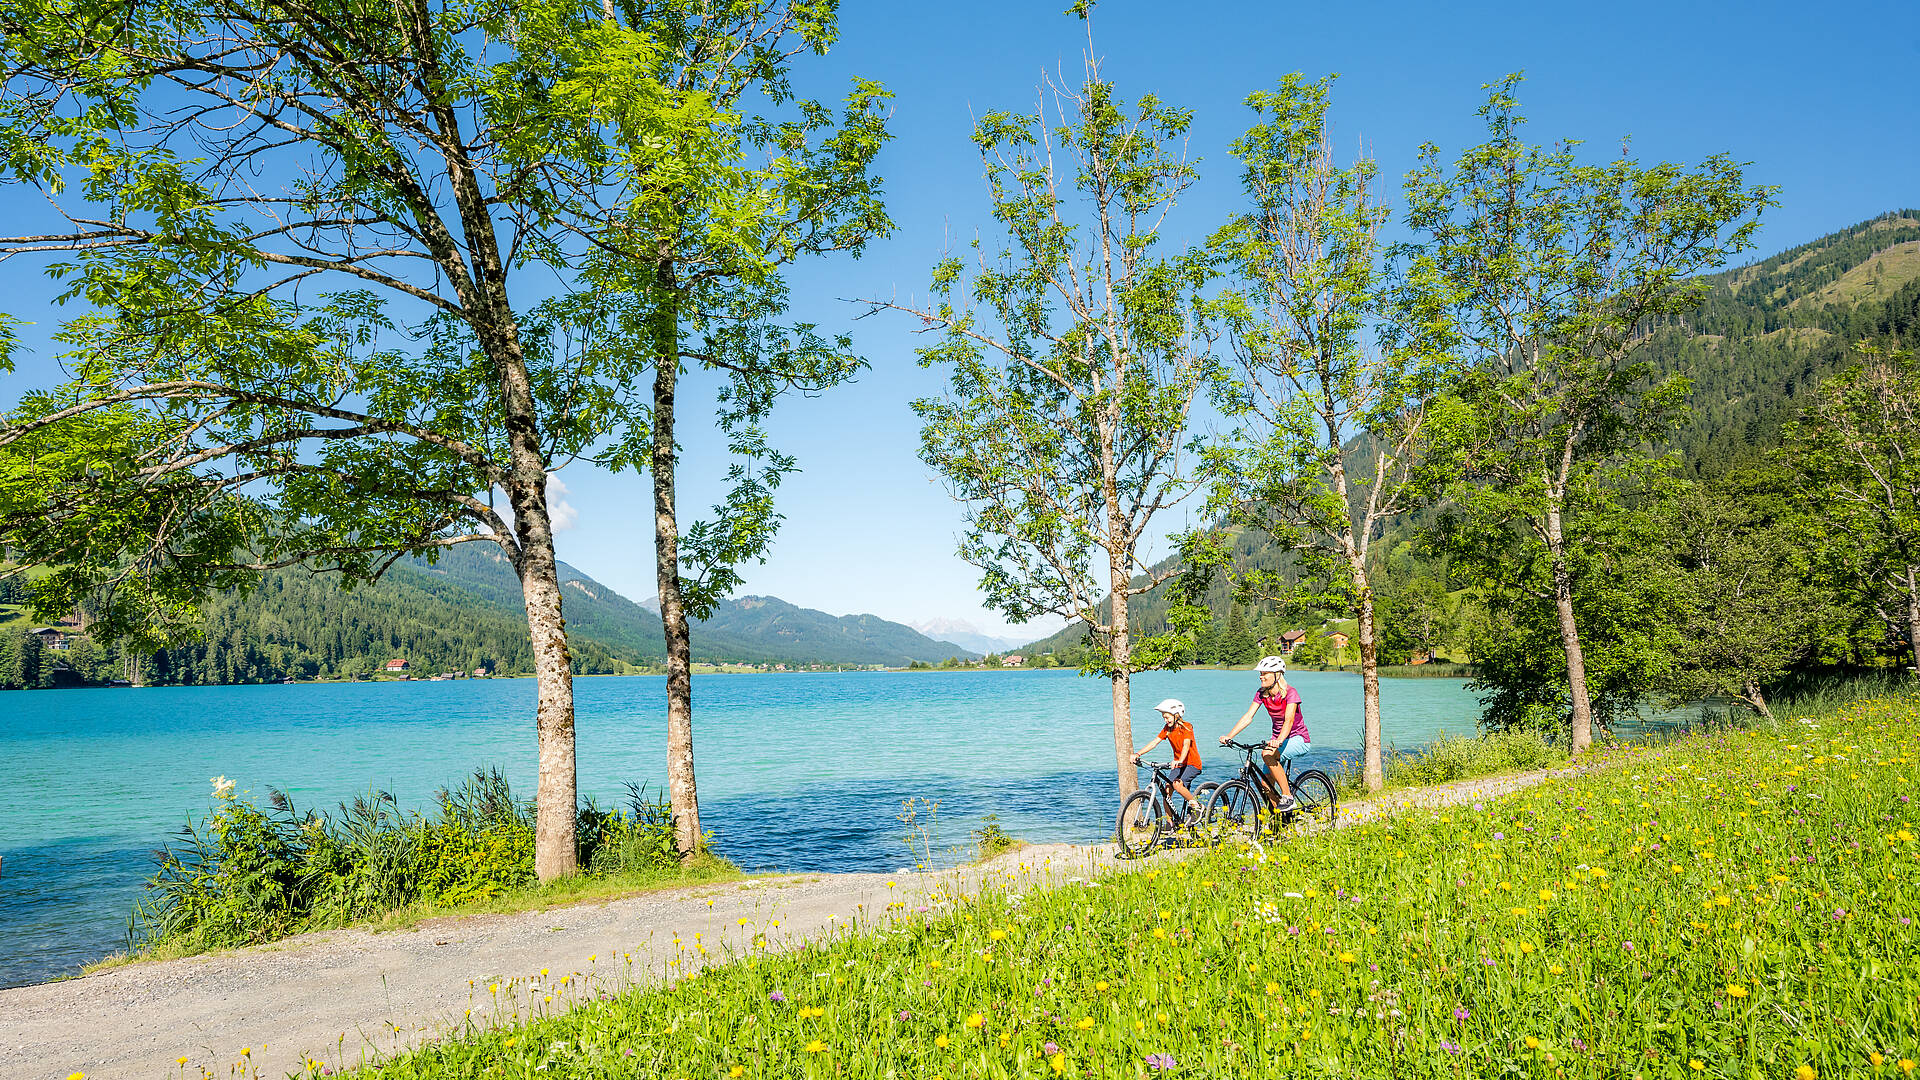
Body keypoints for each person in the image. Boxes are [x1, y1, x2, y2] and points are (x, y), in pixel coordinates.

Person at [1219, 655, 1311, 812]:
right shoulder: (1262, 693)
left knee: (1267, 754)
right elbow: (1248, 717)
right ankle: (1280, 820)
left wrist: (1279, 740)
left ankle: (1288, 797)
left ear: (1277, 674)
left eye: (1265, 673)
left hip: (1298, 739)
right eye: (1260, 674)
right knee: (1265, 784)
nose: (1261, 677)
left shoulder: (1291, 693)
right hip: (1277, 741)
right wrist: (1230, 736)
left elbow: (1288, 721)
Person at [1133, 698, 1203, 821]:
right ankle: (1170, 823)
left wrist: (1180, 760)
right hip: (1179, 765)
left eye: (1167, 717)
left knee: (1177, 784)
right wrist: (1138, 754)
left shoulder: (1187, 727)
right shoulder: (1167, 729)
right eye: (1164, 718)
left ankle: (1197, 807)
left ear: (1176, 715)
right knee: (1167, 791)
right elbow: (1155, 742)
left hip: (1192, 764)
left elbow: (1186, 745)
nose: (1165, 720)